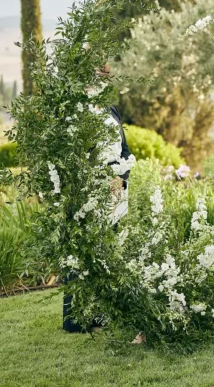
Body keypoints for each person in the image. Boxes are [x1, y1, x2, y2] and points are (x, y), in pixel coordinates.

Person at [63, 64, 131, 333]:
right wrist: (103, 177)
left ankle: (100, 313)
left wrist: (122, 175)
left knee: (106, 250)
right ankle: (75, 319)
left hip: (116, 188)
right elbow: (78, 152)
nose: (104, 82)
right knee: (81, 252)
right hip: (89, 187)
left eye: (105, 78)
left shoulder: (111, 110)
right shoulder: (76, 111)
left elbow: (124, 148)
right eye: (100, 78)